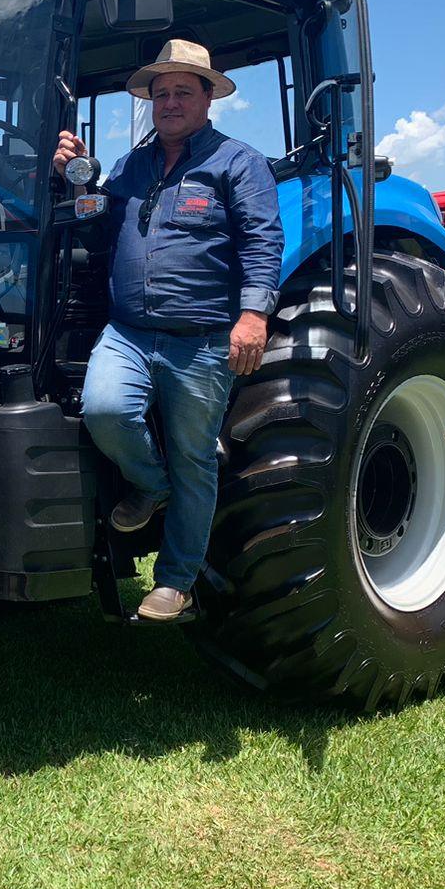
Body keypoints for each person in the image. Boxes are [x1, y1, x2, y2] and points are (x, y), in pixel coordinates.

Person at [55, 38, 284, 621]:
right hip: (128, 332)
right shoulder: (131, 166)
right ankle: (150, 485)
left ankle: (175, 581)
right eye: (161, 94)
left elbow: (262, 241)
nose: (171, 103)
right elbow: (98, 229)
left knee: (194, 459)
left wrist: (254, 315)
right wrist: (78, 181)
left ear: (208, 98)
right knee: (104, 409)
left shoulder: (238, 163)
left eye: (183, 91)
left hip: (202, 339)